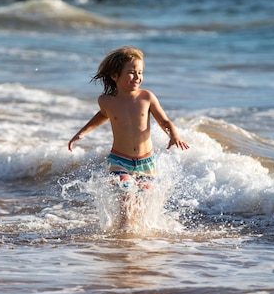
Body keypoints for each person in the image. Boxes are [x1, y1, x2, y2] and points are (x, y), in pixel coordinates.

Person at [68, 46, 189, 225]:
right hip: (120, 160)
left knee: (140, 199)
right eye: (131, 72)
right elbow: (102, 115)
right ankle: (124, 233)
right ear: (115, 75)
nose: (137, 77)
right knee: (126, 193)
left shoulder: (147, 97)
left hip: (146, 161)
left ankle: (135, 233)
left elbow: (164, 121)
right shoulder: (107, 100)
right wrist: (82, 132)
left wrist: (174, 135)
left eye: (140, 72)